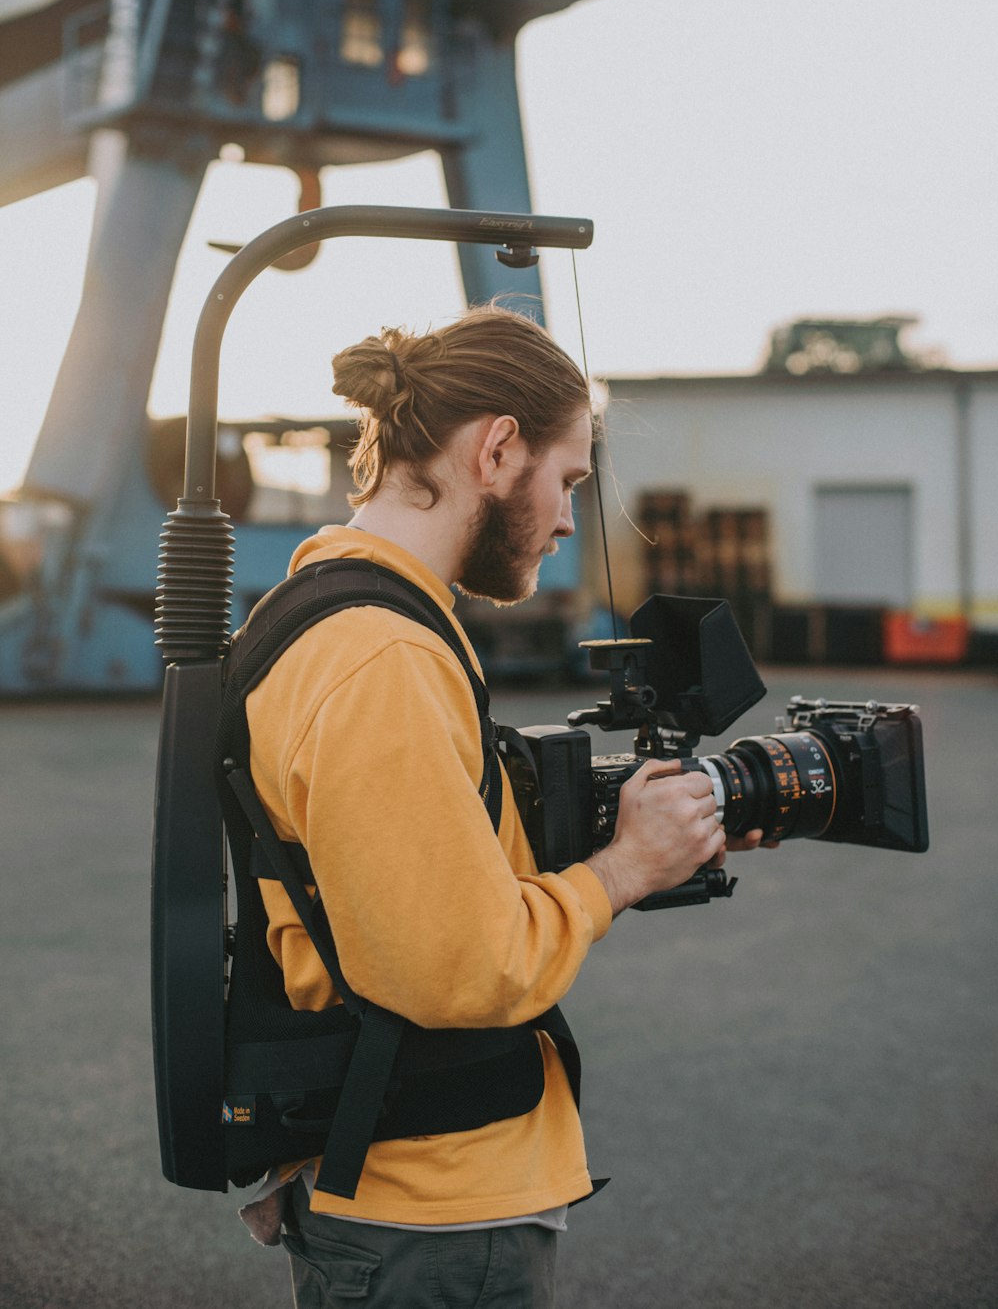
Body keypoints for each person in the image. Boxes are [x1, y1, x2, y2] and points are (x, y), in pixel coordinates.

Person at [238, 306, 768, 1307]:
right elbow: (459, 967)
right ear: (496, 447)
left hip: (405, 1197)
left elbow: (406, 861)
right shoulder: (383, 656)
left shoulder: (343, 612)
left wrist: (643, 822)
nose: (571, 520)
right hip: (430, 1216)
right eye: (567, 480)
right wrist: (621, 871)